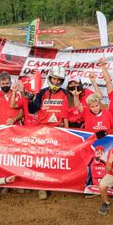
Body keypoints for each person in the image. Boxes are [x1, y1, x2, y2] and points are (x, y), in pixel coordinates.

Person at [28, 66, 69, 199]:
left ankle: (53, 183)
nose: (56, 82)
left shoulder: (64, 94)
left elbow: (65, 115)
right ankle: (42, 187)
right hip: (42, 130)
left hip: (58, 130)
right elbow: (33, 110)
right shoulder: (41, 92)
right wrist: (30, 99)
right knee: (42, 159)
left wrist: (66, 131)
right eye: (54, 79)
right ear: (50, 78)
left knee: (56, 159)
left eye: (59, 80)